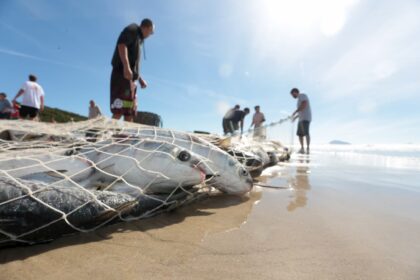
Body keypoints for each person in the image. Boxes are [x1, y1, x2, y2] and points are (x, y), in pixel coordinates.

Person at [110, 18, 155, 122]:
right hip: (122, 75)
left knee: (129, 111)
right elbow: (122, 45)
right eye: (151, 32)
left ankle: (126, 138)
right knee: (119, 109)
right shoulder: (133, 29)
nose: (151, 35)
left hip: (131, 81)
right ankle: (105, 134)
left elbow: (133, 63)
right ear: (147, 28)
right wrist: (126, 66)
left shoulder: (139, 40)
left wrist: (139, 79)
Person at [290, 88, 312, 154]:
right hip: (300, 119)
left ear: (295, 92)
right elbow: (300, 111)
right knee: (300, 134)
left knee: (306, 133)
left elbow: (304, 104)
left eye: (293, 94)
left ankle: (308, 147)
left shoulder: (302, 95)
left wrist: (295, 112)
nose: (293, 96)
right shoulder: (298, 100)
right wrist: (295, 118)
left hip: (306, 118)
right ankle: (302, 148)